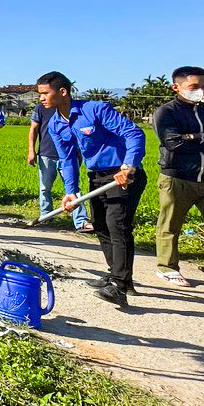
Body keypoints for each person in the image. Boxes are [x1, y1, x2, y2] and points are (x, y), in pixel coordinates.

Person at [37, 71, 147, 307]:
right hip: (97, 177)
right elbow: (67, 159)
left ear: (62, 92)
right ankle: (116, 275)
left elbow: (134, 132)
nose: (41, 99)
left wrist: (129, 166)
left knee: (118, 225)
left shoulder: (95, 109)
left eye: (45, 93)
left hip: (123, 174)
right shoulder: (56, 123)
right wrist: (71, 191)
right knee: (101, 225)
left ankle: (120, 285)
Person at [151, 66, 204, 287]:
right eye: (194, 86)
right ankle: (167, 267)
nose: (201, 90)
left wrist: (195, 137)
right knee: (170, 224)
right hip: (178, 178)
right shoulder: (166, 112)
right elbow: (174, 143)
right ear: (177, 87)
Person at [29, 98, 92, 232]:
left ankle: (81, 221)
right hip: (46, 153)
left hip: (70, 154)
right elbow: (33, 129)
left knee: (74, 189)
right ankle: (46, 216)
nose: (43, 97)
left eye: (46, 93)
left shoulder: (72, 109)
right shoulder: (41, 108)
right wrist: (31, 151)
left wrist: (79, 153)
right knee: (45, 188)